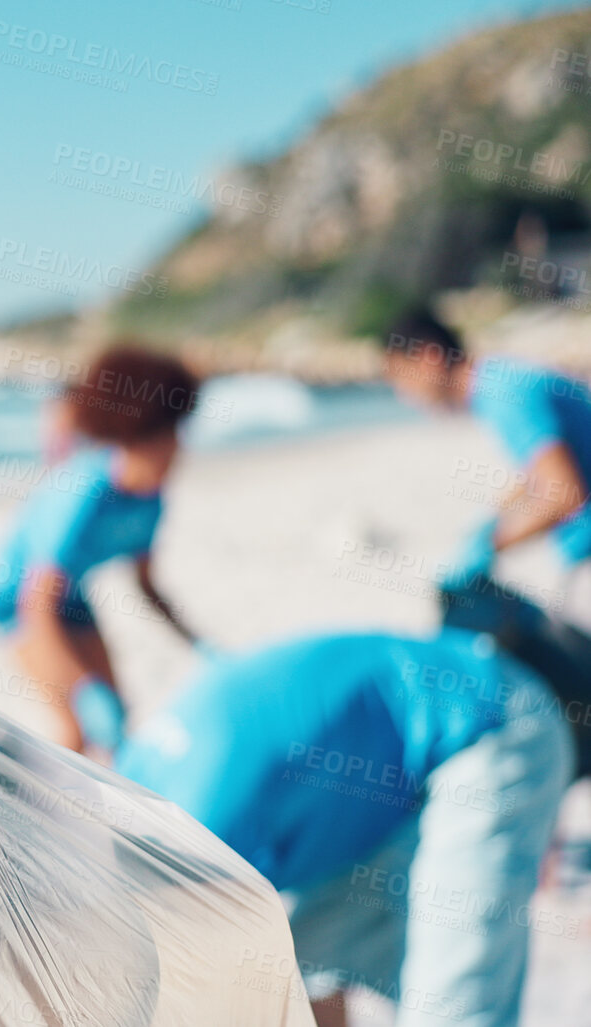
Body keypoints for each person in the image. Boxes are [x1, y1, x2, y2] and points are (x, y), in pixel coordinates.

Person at [111, 625, 576, 1027]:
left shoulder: (198, 837)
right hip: (377, 775)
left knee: (452, 1008)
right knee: (301, 967)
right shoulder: (132, 793)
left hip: (486, 723)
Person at [0, 344, 201, 752]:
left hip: (70, 597)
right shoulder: (83, 494)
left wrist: (196, 643)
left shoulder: (152, 500)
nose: (180, 448)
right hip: (17, 598)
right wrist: (84, 690)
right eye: (171, 435)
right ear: (142, 437)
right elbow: (37, 608)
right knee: (78, 728)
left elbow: (148, 587)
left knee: (119, 725)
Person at [383, 308, 591, 627]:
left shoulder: (505, 396)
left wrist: (490, 546)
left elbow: (564, 494)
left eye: (399, 377)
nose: (402, 395)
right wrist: (495, 517)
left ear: (429, 357)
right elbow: (543, 470)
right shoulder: (501, 379)